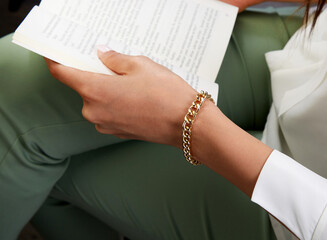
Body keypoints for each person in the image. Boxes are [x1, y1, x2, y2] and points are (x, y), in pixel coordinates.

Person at [0, 1, 325, 240]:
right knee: (17, 79)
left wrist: (192, 122)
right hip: (308, 50)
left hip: (297, 213)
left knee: (43, 157)